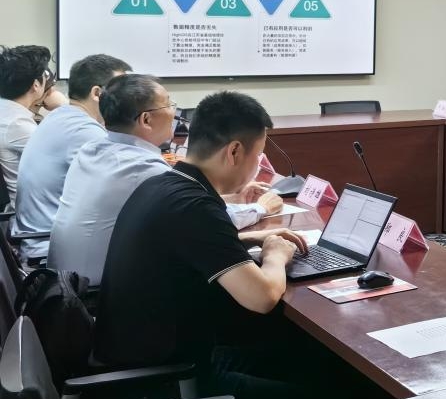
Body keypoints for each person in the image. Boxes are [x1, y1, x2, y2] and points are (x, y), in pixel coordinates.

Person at [94, 91, 319, 399]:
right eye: (258, 156)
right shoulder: (194, 205)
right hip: (165, 383)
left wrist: (250, 238)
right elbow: (262, 297)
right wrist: (275, 255)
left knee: (300, 355)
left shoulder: (165, 184)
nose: (257, 166)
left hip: (141, 358)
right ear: (234, 152)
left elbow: (189, 244)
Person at [52, 75, 284, 285]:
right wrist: (260, 209)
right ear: (146, 119)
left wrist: (235, 202)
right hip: (94, 291)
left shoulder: (93, 148)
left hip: (65, 283)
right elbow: (201, 221)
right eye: (169, 104)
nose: (174, 112)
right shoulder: (146, 171)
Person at [14, 53, 130, 262]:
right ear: (97, 93)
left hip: (40, 242)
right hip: (50, 254)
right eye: (122, 91)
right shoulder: (84, 131)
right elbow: (127, 187)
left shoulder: (61, 117)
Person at [0, 44, 59, 208]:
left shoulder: (6, 111)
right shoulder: (17, 124)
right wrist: (64, 107)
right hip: (28, 211)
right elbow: (66, 159)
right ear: (36, 85)